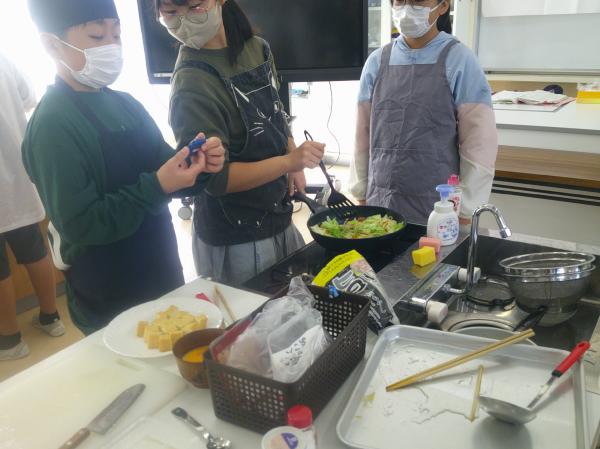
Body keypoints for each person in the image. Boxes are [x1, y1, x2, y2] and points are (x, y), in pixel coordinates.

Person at [23, 0, 225, 335]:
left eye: (116, 35)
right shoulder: (52, 125)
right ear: (52, 45)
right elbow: (80, 224)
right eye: (96, 36)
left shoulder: (126, 104)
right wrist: (157, 186)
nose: (111, 46)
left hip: (160, 272)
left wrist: (199, 165)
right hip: (107, 291)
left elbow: (167, 167)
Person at [155, 0, 326, 286]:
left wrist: (290, 151)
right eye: (170, 13)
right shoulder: (191, 84)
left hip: (277, 214)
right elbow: (217, 180)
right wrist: (289, 162)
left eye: (194, 7)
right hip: (235, 236)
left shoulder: (257, 48)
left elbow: (274, 111)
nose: (184, 21)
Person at [349, 0, 498, 225]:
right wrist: (361, 194)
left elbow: (479, 143)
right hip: (380, 202)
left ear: (443, 6)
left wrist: (466, 209)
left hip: (439, 207)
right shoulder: (376, 62)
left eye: (417, 0)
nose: (407, 7)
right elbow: (362, 135)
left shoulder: (460, 60)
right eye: (400, 0)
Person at [0, 53, 65, 361]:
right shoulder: (4, 60)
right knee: (34, 250)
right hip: (18, 175)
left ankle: (11, 341)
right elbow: (29, 99)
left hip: (13, 180)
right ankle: (51, 318)